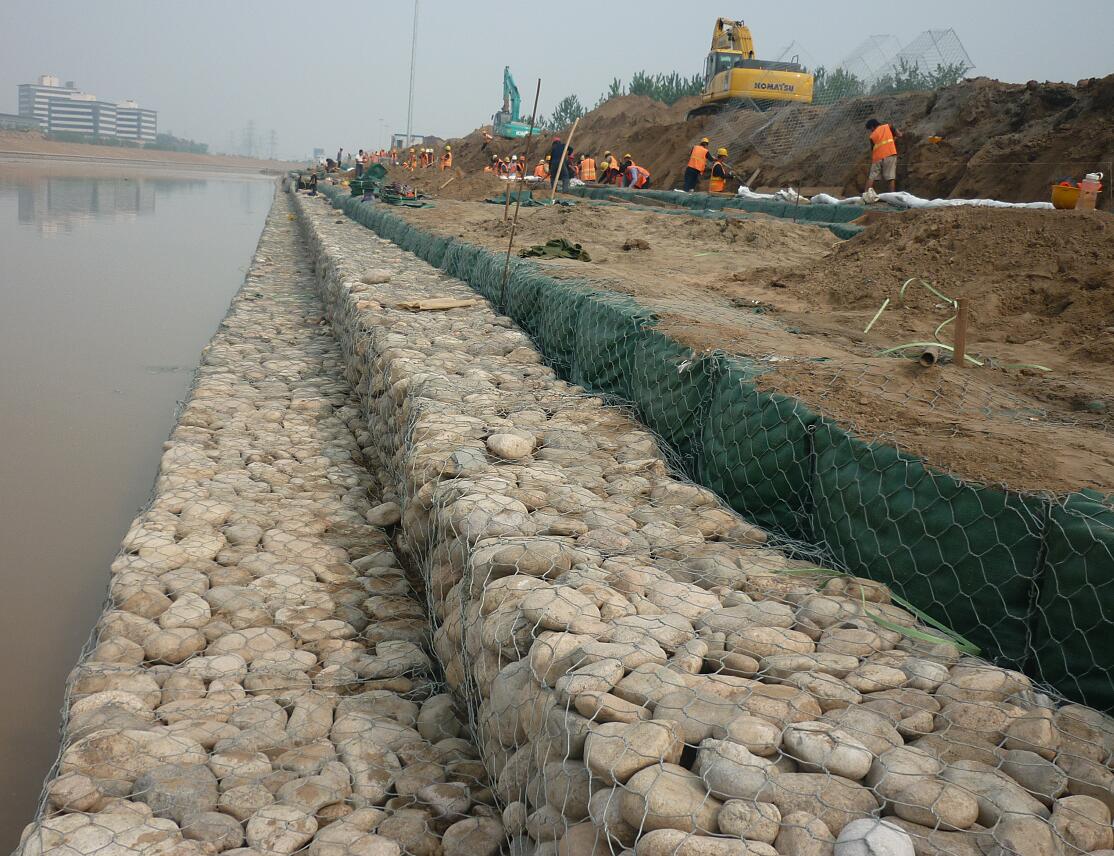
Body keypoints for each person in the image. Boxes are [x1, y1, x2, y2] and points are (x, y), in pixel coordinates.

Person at [865, 118, 902, 193]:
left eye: (870, 129)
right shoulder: (887, 126)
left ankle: (866, 194)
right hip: (890, 153)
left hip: (877, 157)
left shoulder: (872, 136)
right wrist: (897, 136)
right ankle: (892, 195)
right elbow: (899, 135)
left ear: (872, 126)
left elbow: (873, 148)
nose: (871, 130)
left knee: (872, 177)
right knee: (890, 177)